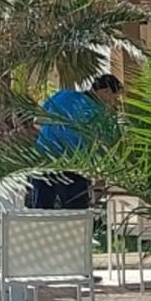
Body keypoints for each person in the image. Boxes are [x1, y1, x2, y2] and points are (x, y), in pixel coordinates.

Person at [25, 73, 120, 209]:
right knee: (76, 210)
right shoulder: (99, 113)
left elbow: (39, 120)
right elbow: (106, 144)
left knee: (41, 208)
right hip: (72, 165)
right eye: (115, 98)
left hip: (44, 158)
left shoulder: (63, 95)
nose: (114, 103)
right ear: (106, 92)